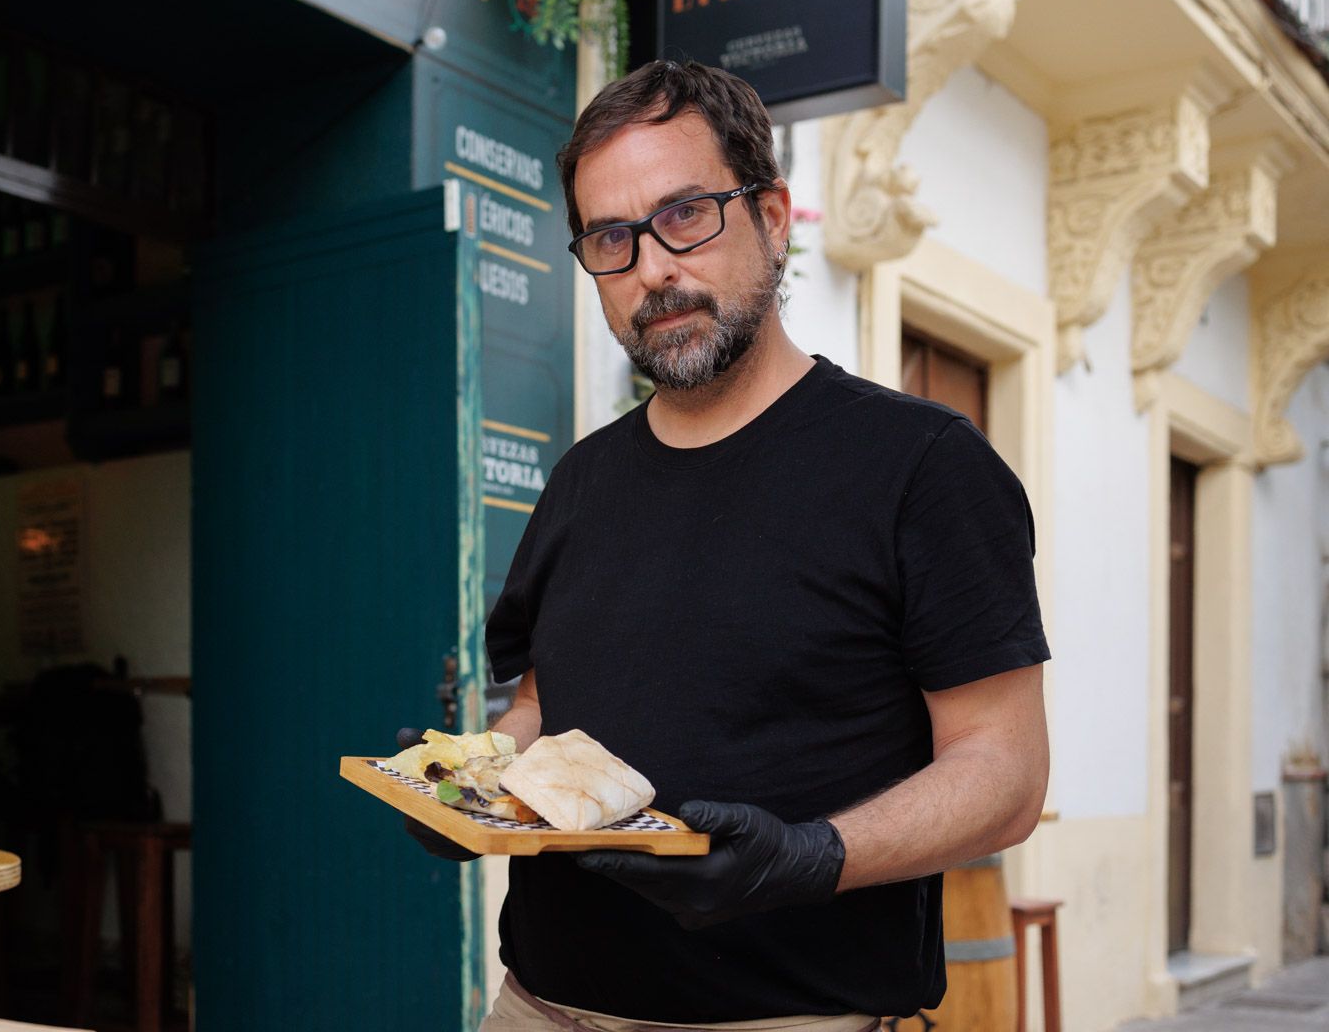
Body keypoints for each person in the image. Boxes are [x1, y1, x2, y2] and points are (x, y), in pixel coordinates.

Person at [404, 60, 1050, 1032]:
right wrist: (473, 783)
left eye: (686, 215)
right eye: (610, 240)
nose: (653, 269)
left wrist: (811, 854)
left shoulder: (920, 466)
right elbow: (544, 701)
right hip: (538, 1008)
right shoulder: (581, 480)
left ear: (775, 215)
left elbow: (1004, 774)